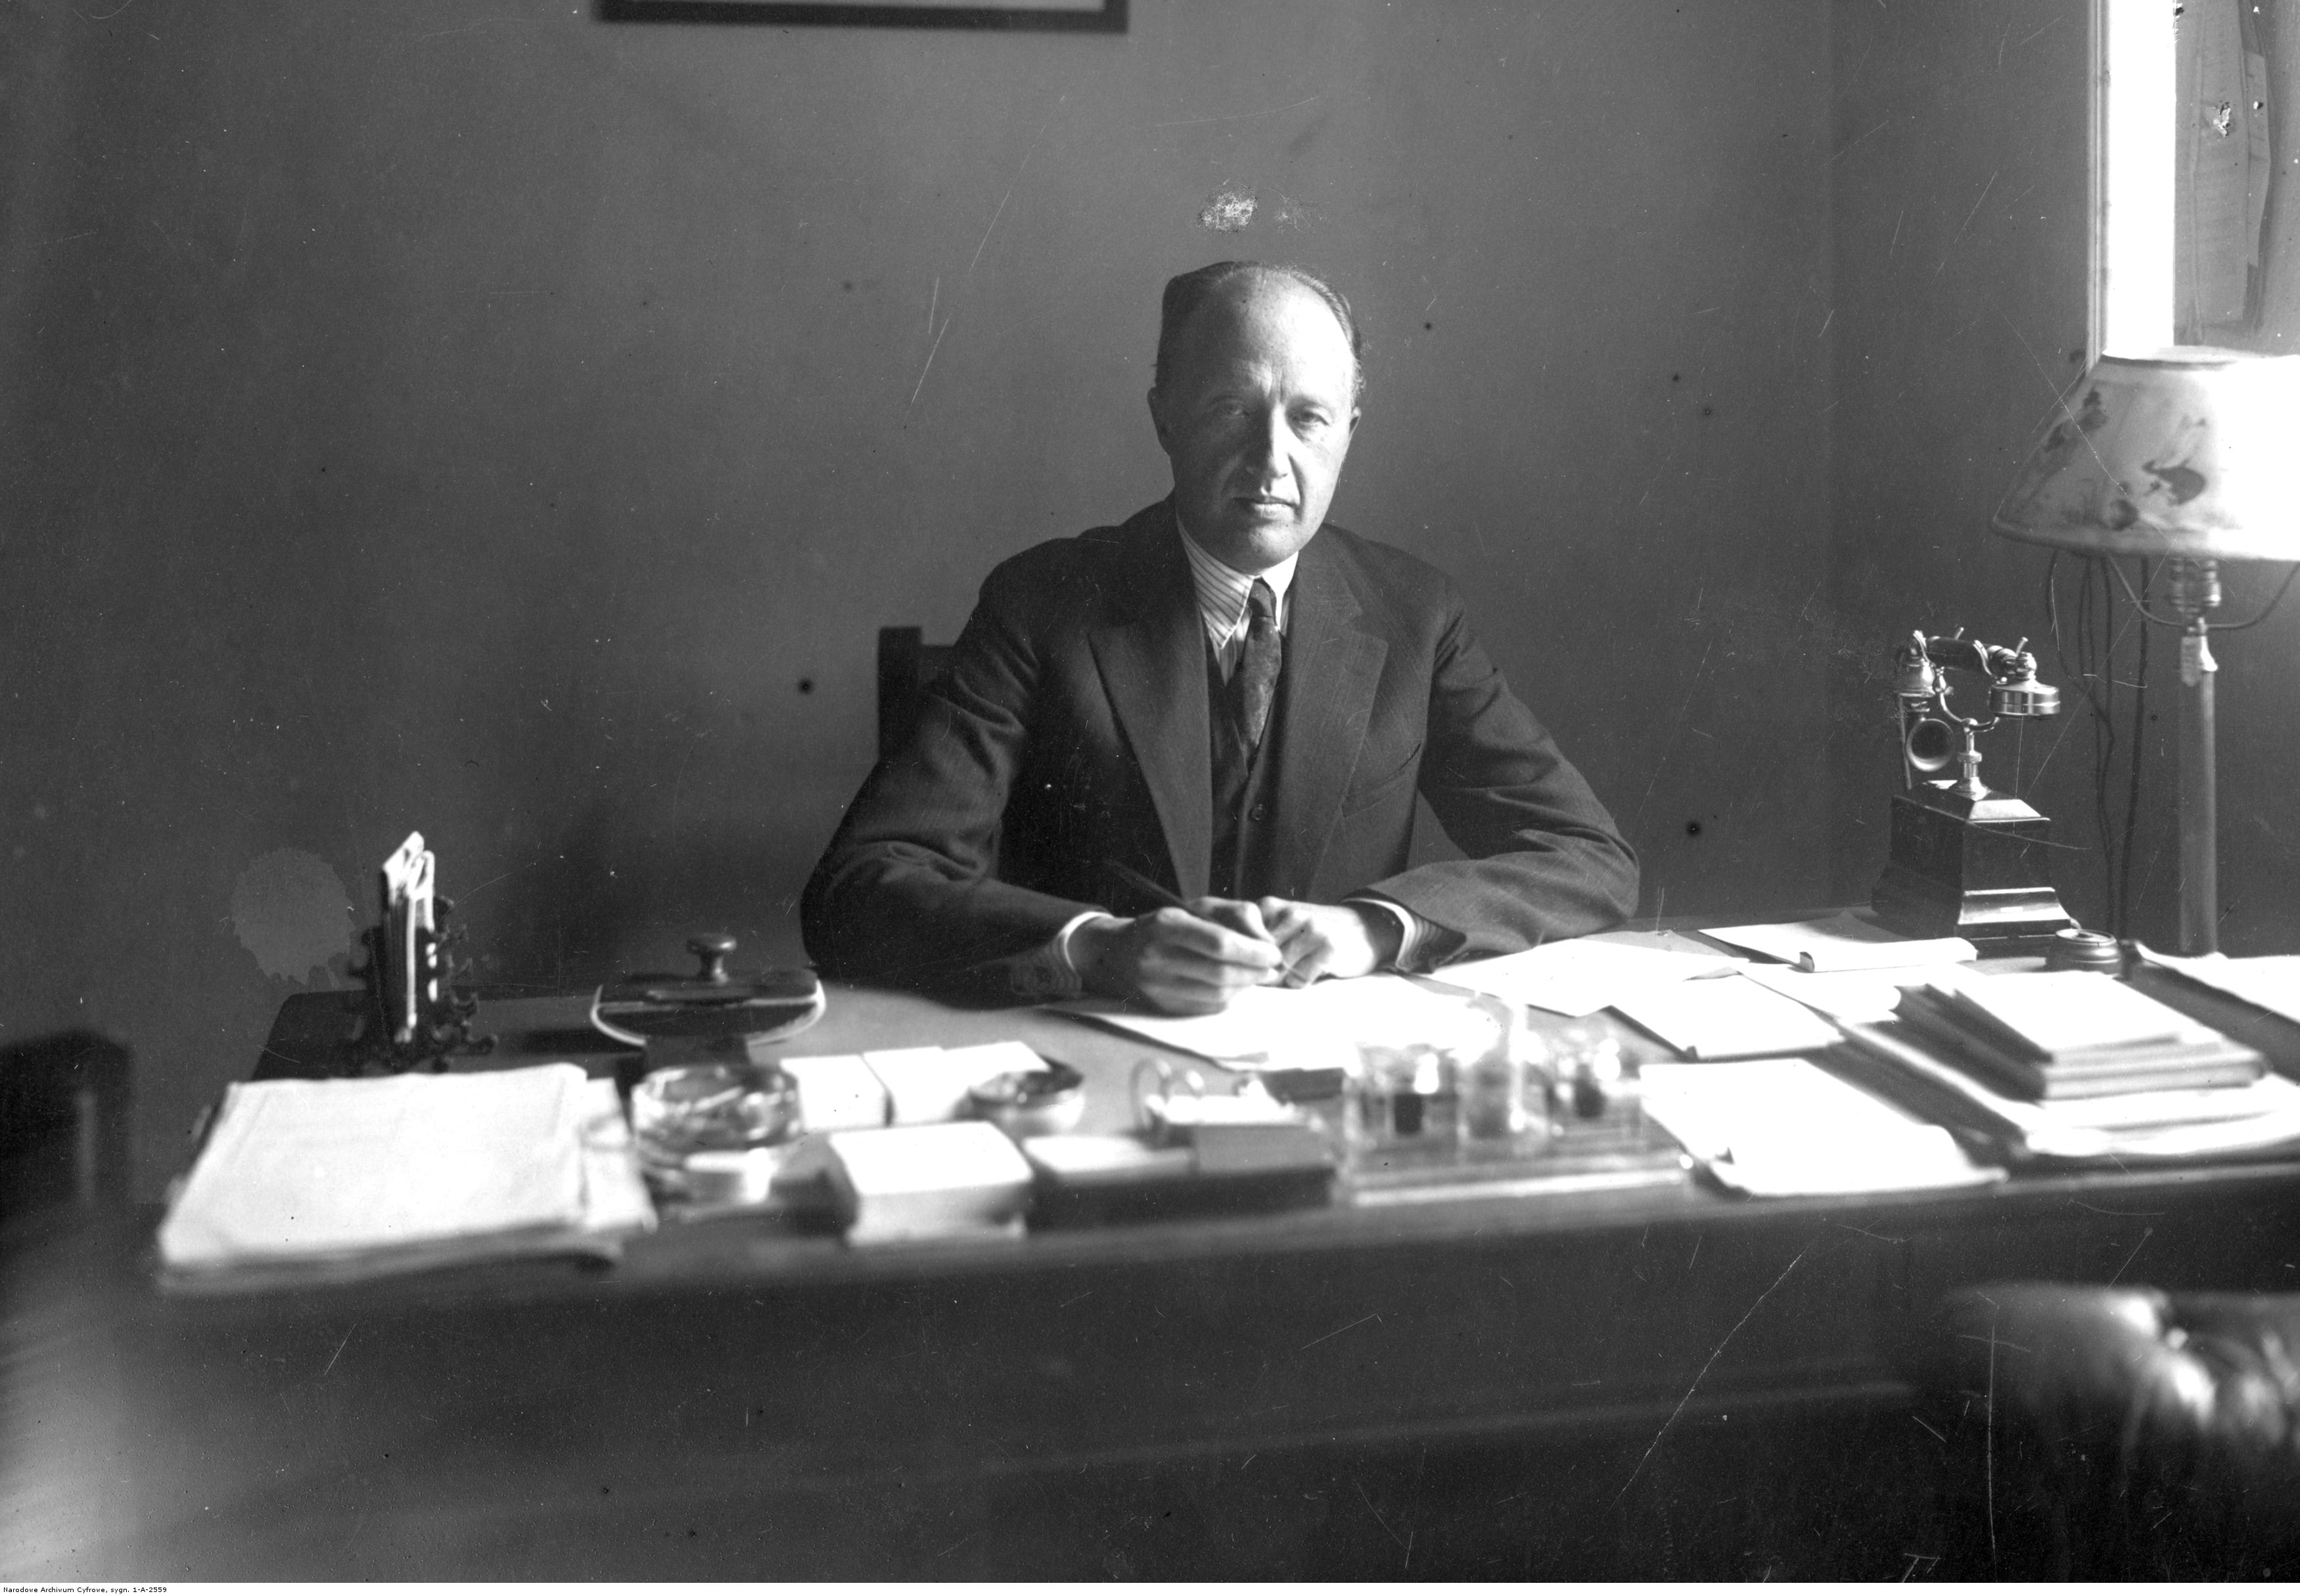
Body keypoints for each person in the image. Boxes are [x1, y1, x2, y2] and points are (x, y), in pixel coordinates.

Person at [802, 261, 1636, 1013]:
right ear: (1164, 417)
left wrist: (1376, 926)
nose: (1270, 458)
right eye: (1230, 409)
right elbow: (860, 886)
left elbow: (1588, 855)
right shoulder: (1040, 602)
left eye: (1308, 419)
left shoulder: (1414, 613)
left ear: (1349, 429)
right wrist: (1098, 946)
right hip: (1099, 1060)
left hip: (1336, 1068)